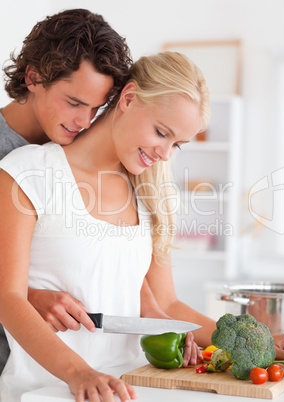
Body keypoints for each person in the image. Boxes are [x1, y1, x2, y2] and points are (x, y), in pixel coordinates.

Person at [0, 50, 208, 401]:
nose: (165, 153)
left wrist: (263, 342)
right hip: (45, 390)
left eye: (177, 145)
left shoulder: (147, 191)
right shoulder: (28, 171)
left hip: (129, 387)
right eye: (161, 132)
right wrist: (78, 372)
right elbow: (9, 298)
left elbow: (162, 302)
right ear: (127, 99)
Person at [0, 7, 133, 374]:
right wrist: (27, 297)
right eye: (74, 103)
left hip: (55, 374)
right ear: (33, 76)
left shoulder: (78, 154)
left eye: (95, 108)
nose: (83, 121)